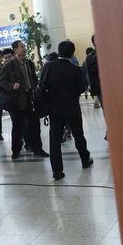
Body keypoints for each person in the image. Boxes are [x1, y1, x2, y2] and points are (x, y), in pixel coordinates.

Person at [40, 40, 93, 180]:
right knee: (78, 135)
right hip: (72, 109)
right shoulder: (75, 69)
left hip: (54, 110)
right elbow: (82, 88)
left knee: (55, 140)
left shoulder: (48, 67)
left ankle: (57, 171)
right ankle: (85, 160)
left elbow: (41, 85)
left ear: (59, 51)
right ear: (72, 53)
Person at [0, 40, 49, 160]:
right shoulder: (9, 65)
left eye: (24, 46)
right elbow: (2, 81)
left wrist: (35, 85)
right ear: (15, 50)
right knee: (17, 126)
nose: (24, 48)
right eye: (22, 47)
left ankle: (38, 149)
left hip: (31, 97)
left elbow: (34, 78)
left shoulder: (29, 63)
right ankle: (16, 150)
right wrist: (12, 86)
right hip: (17, 99)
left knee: (35, 125)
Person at [84, 36, 102, 109]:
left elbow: (87, 73)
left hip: (98, 87)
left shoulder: (89, 57)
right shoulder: (92, 57)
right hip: (102, 87)